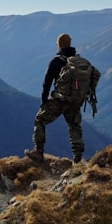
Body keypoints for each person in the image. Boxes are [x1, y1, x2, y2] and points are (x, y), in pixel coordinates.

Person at [25, 33, 86, 163]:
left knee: (40, 120)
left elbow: (46, 83)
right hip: (75, 101)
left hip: (59, 100)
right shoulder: (78, 62)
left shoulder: (56, 61)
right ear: (69, 44)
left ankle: (38, 151)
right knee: (74, 126)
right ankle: (78, 159)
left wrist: (44, 101)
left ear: (59, 45)